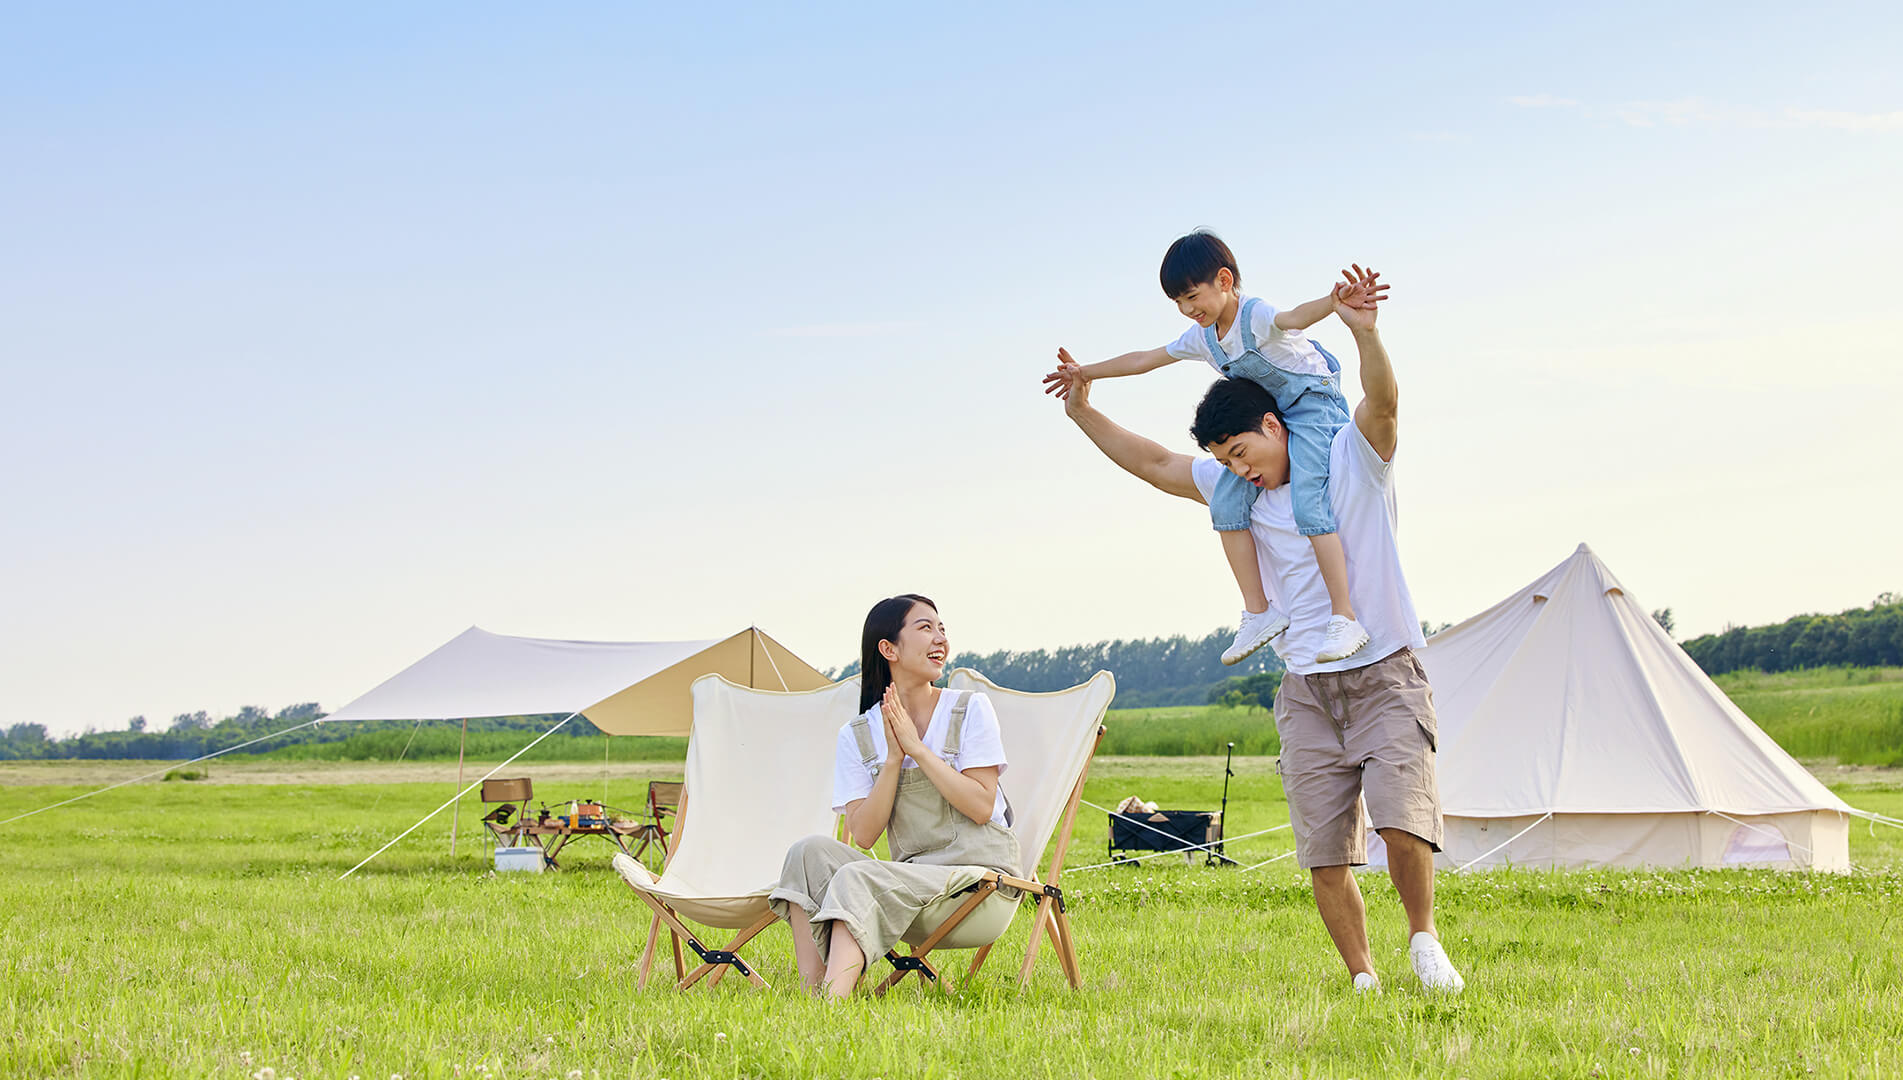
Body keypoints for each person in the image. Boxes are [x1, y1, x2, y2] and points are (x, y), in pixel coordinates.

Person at [1046, 268, 1464, 993]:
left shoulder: (1347, 458)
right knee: (1324, 853)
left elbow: (1384, 405)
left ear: (1273, 425)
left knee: (1401, 821)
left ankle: (1423, 941)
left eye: (1242, 452)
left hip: (1384, 670)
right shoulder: (1237, 490)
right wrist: (1084, 411)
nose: (1238, 470)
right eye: (1224, 462)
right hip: (1307, 689)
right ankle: (1362, 977)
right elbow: (1154, 463)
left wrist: (1365, 335)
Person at [1042, 231, 1387, 667]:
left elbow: (1294, 317)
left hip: (1312, 406)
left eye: (1191, 296)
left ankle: (1344, 616)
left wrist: (1334, 302)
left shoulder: (1254, 315)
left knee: (1308, 501)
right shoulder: (1202, 336)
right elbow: (1144, 359)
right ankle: (1259, 612)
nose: (1187, 310)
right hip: (1272, 416)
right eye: (1178, 302)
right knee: (1224, 501)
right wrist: (1085, 372)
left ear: (1224, 281)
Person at [769, 594, 1021, 996]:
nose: (940, 638)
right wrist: (892, 760)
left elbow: (981, 806)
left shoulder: (970, 709)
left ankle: (833, 1005)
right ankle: (812, 996)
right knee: (806, 853)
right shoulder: (857, 734)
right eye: (925, 628)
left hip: (979, 883)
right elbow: (864, 835)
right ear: (889, 649)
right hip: (911, 884)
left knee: (857, 876)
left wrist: (917, 750)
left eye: (942, 628)